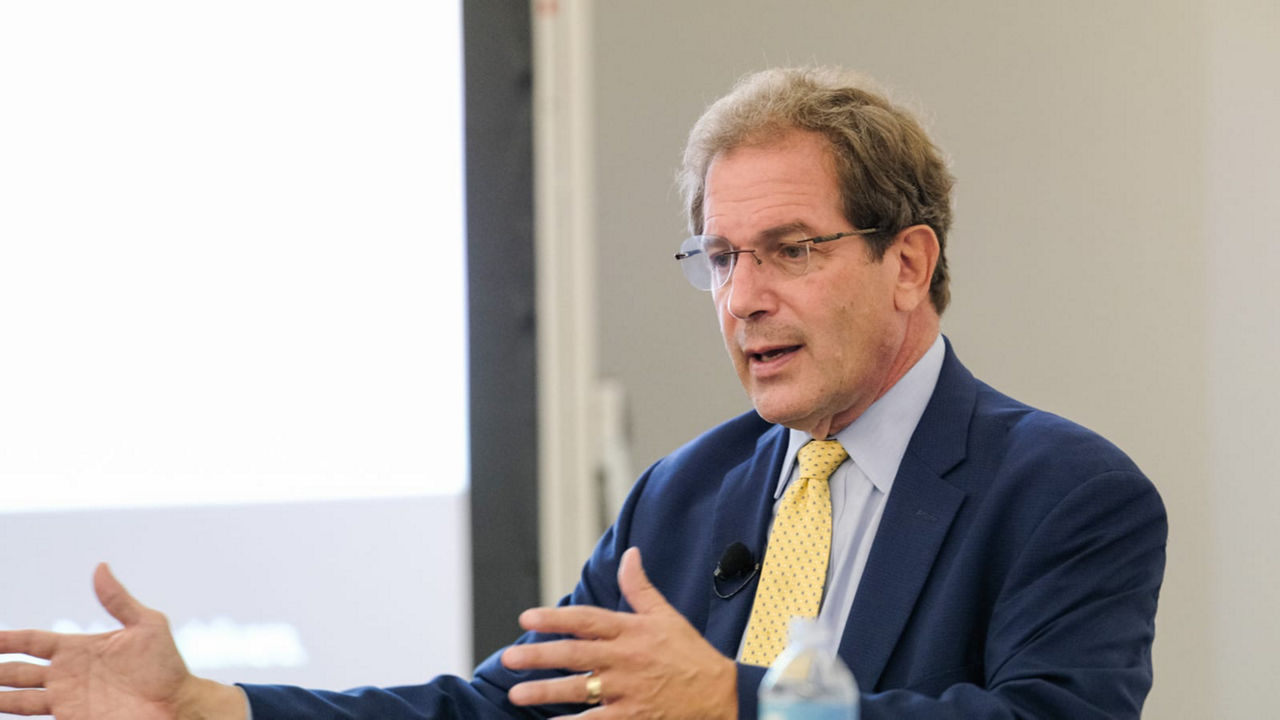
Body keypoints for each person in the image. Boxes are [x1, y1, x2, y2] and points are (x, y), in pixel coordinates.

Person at [0, 66, 1166, 719]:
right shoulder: (686, 491)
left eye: (789, 250)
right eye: (720, 258)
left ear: (905, 263)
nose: (742, 298)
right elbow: (496, 710)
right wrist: (208, 705)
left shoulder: (1061, 491)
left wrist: (737, 702)